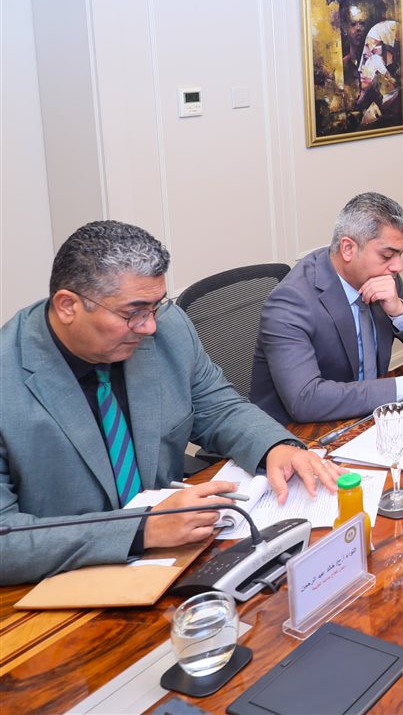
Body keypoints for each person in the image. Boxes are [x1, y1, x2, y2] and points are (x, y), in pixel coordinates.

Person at [0, 221, 337, 586]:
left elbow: (218, 407)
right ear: (68, 306)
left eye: (155, 307)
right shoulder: (9, 378)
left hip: (175, 560)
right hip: (58, 586)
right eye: (133, 313)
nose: (149, 327)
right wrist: (141, 529)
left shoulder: (167, 326)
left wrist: (275, 447)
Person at [251, 193, 403, 425]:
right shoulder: (291, 302)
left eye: (400, 254)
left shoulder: (384, 278)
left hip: (368, 416)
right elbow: (306, 400)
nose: (398, 266)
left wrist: (398, 309)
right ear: (348, 248)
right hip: (300, 433)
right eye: (387, 255)